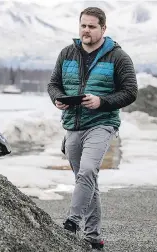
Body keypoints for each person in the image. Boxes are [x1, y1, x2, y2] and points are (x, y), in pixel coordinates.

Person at [47, 7, 138, 250]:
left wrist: (102, 101)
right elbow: (54, 84)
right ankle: (93, 236)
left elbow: (130, 92)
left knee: (87, 172)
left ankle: (72, 222)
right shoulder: (67, 53)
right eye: (83, 25)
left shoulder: (118, 57)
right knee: (87, 180)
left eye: (91, 26)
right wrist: (57, 98)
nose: (86, 30)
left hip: (102, 123)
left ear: (103, 29)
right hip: (73, 125)